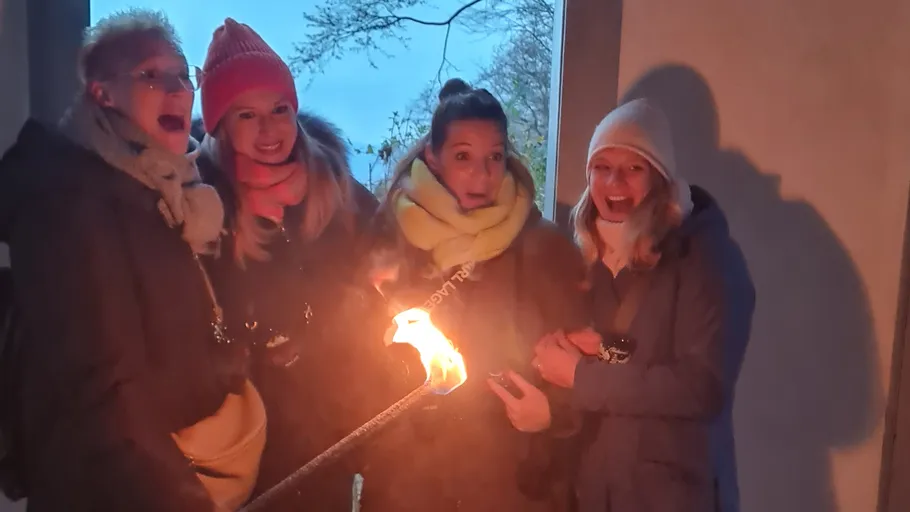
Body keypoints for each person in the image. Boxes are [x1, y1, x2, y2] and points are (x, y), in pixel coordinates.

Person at [0, 9, 266, 511]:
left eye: (183, 75)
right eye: (151, 75)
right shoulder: (68, 203)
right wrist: (185, 502)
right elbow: (102, 389)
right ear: (102, 93)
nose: (176, 89)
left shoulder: (166, 191)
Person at [362, 78, 589, 512]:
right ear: (433, 157)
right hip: (409, 483)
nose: (482, 176)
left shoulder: (545, 250)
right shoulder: (391, 239)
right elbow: (354, 361)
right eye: (463, 157)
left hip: (509, 486)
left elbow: (584, 368)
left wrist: (554, 415)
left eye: (494, 157)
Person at [196, 18, 384, 511]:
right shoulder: (202, 206)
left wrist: (332, 325)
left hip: (327, 427)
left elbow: (379, 280)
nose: (269, 130)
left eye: (279, 109)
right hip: (241, 437)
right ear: (220, 123)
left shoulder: (335, 187)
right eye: (247, 114)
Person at [533, 98, 734, 511]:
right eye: (602, 167)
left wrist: (580, 376)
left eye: (634, 168)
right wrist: (557, 395)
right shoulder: (589, 255)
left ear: (660, 177)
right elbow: (632, 357)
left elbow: (701, 388)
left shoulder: (704, 256)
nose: (615, 182)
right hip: (596, 493)